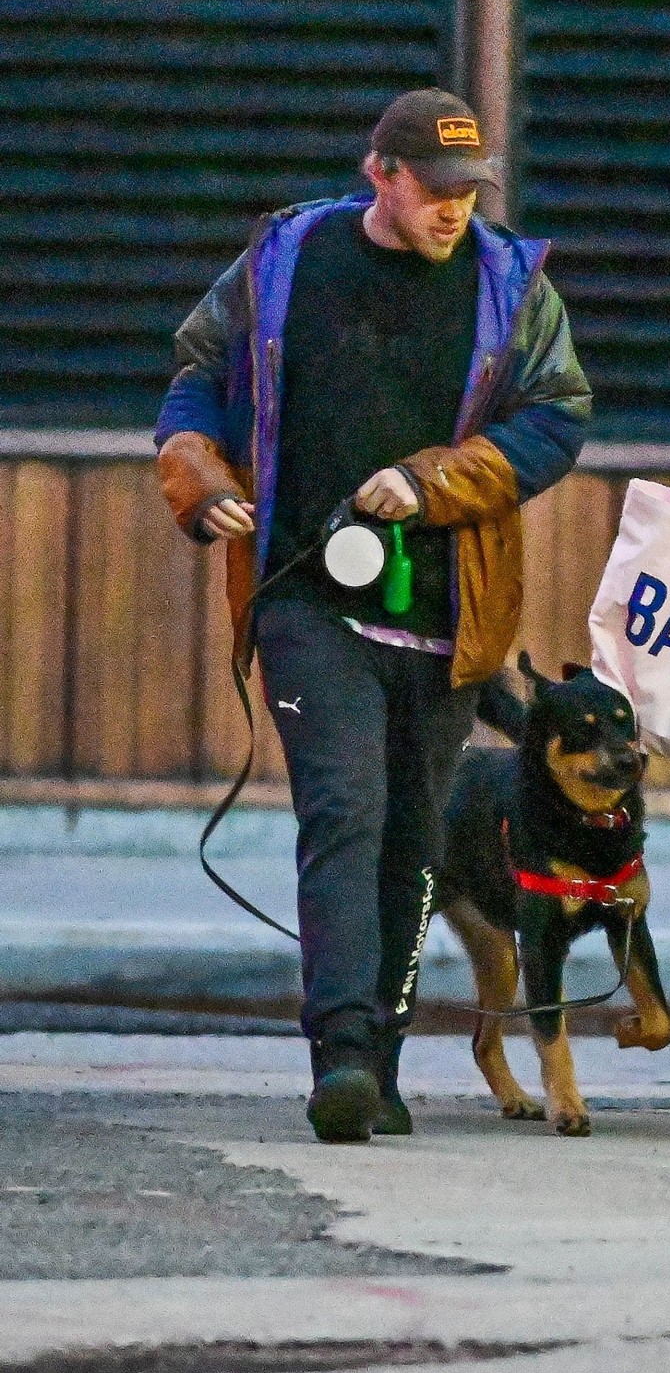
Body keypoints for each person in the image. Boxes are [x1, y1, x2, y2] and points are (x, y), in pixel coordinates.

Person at [155, 88, 591, 1143]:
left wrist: (435, 482)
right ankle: (342, 1053)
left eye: (468, 192)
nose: (455, 211)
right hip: (307, 591)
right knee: (345, 811)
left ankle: (385, 1059)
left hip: (449, 611)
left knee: (414, 839)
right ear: (380, 175)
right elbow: (199, 375)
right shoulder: (283, 260)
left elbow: (559, 418)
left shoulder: (510, 282)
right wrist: (196, 474)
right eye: (435, 191)